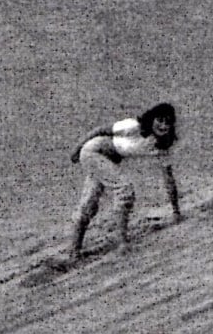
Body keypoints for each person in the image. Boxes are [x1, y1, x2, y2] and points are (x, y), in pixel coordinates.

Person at [69, 103, 181, 258]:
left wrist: (176, 211)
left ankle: (74, 252)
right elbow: (100, 130)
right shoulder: (133, 126)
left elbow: (169, 179)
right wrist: (76, 150)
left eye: (167, 122)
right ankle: (122, 242)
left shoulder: (162, 146)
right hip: (93, 152)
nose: (162, 126)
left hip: (109, 160)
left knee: (90, 202)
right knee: (124, 190)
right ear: (152, 119)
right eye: (160, 120)